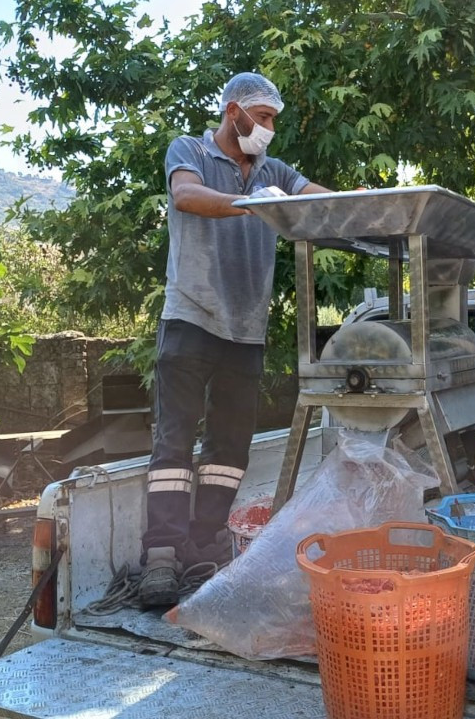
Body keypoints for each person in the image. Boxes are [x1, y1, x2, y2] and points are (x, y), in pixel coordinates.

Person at [139, 72, 330, 607]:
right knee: (173, 444)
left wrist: (359, 205)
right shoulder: (191, 150)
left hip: (246, 329)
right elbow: (185, 196)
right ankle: (160, 557)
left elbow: (317, 199)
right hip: (191, 318)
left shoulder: (273, 171)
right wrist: (255, 205)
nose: (268, 129)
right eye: (262, 118)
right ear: (233, 112)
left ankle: (203, 550)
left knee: (228, 449)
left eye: (273, 120)